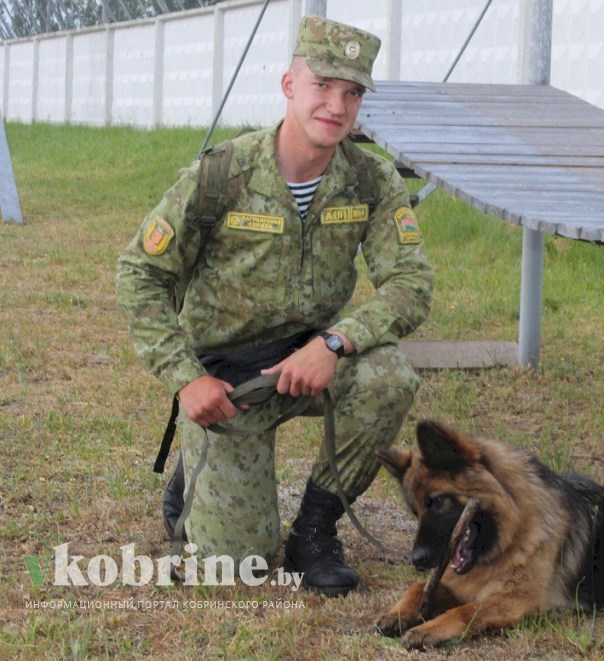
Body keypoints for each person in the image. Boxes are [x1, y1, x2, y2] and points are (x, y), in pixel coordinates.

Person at [115, 16, 434, 597]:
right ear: (289, 85)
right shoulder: (223, 175)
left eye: (352, 92)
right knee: (238, 564)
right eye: (322, 86)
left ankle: (315, 530)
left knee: (388, 377)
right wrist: (186, 379)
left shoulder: (370, 180)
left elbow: (411, 281)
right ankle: (194, 471)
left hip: (310, 361)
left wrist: (334, 343)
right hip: (227, 383)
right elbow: (140, 272)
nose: (336, 106)